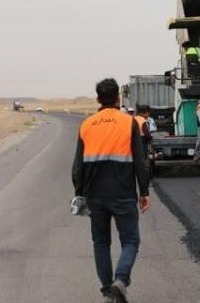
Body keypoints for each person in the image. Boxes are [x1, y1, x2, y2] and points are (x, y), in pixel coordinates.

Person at [72, 78, 150, 303]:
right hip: (123, 194)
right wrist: (144, 191)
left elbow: (77, 167)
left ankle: (109, 292)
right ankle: (120, 282)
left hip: (95, 196)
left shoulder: (86, 124)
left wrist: (79, 194)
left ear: (98, 99)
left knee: (101, 242)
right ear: (118, 99)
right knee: (130, 241)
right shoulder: (128, 122)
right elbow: (140, 161)